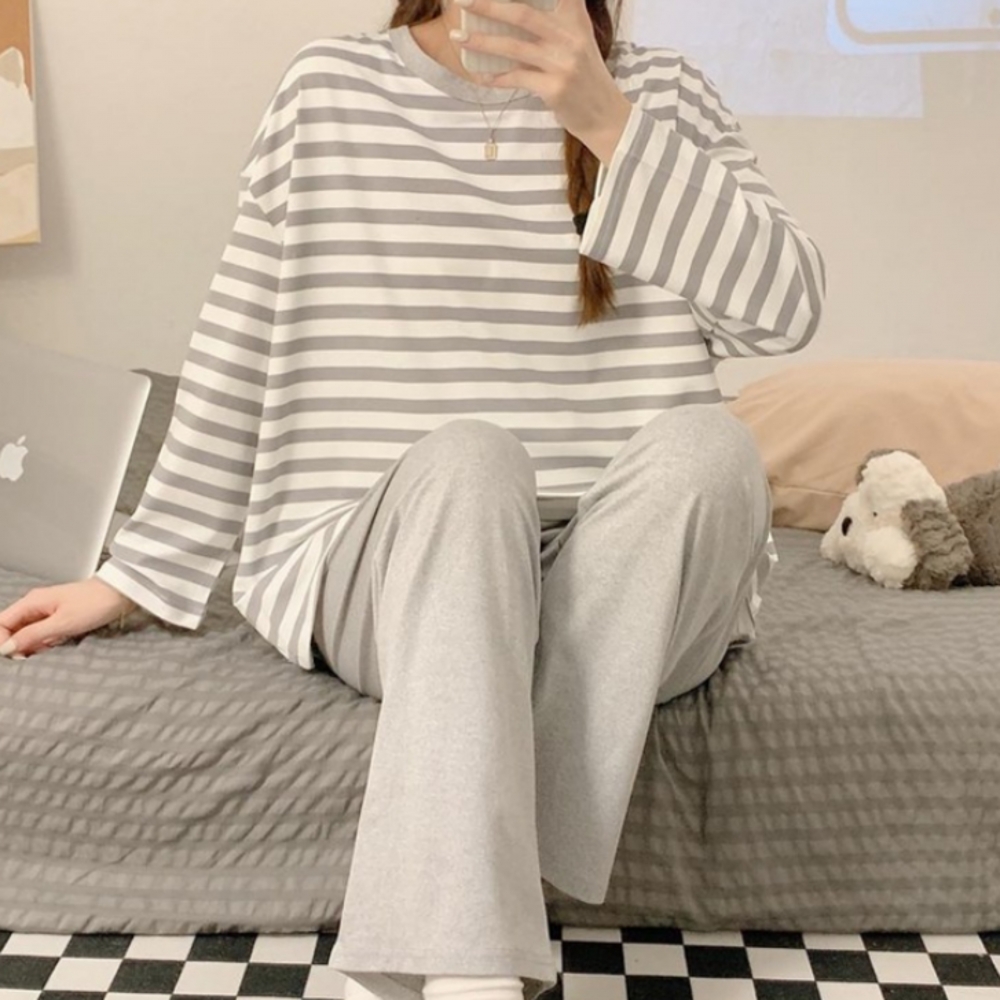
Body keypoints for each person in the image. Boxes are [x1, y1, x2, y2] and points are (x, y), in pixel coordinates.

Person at [0, 0, 826, 997]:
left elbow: (786, 312)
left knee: (714, 448)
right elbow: (237, 345)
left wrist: (606, 118)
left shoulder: (664, 95)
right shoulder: (330, 91)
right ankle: (471, 968)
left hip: (621, 580)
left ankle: (445, 902)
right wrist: (139, 570)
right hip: (401, 554)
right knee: (473, 461)